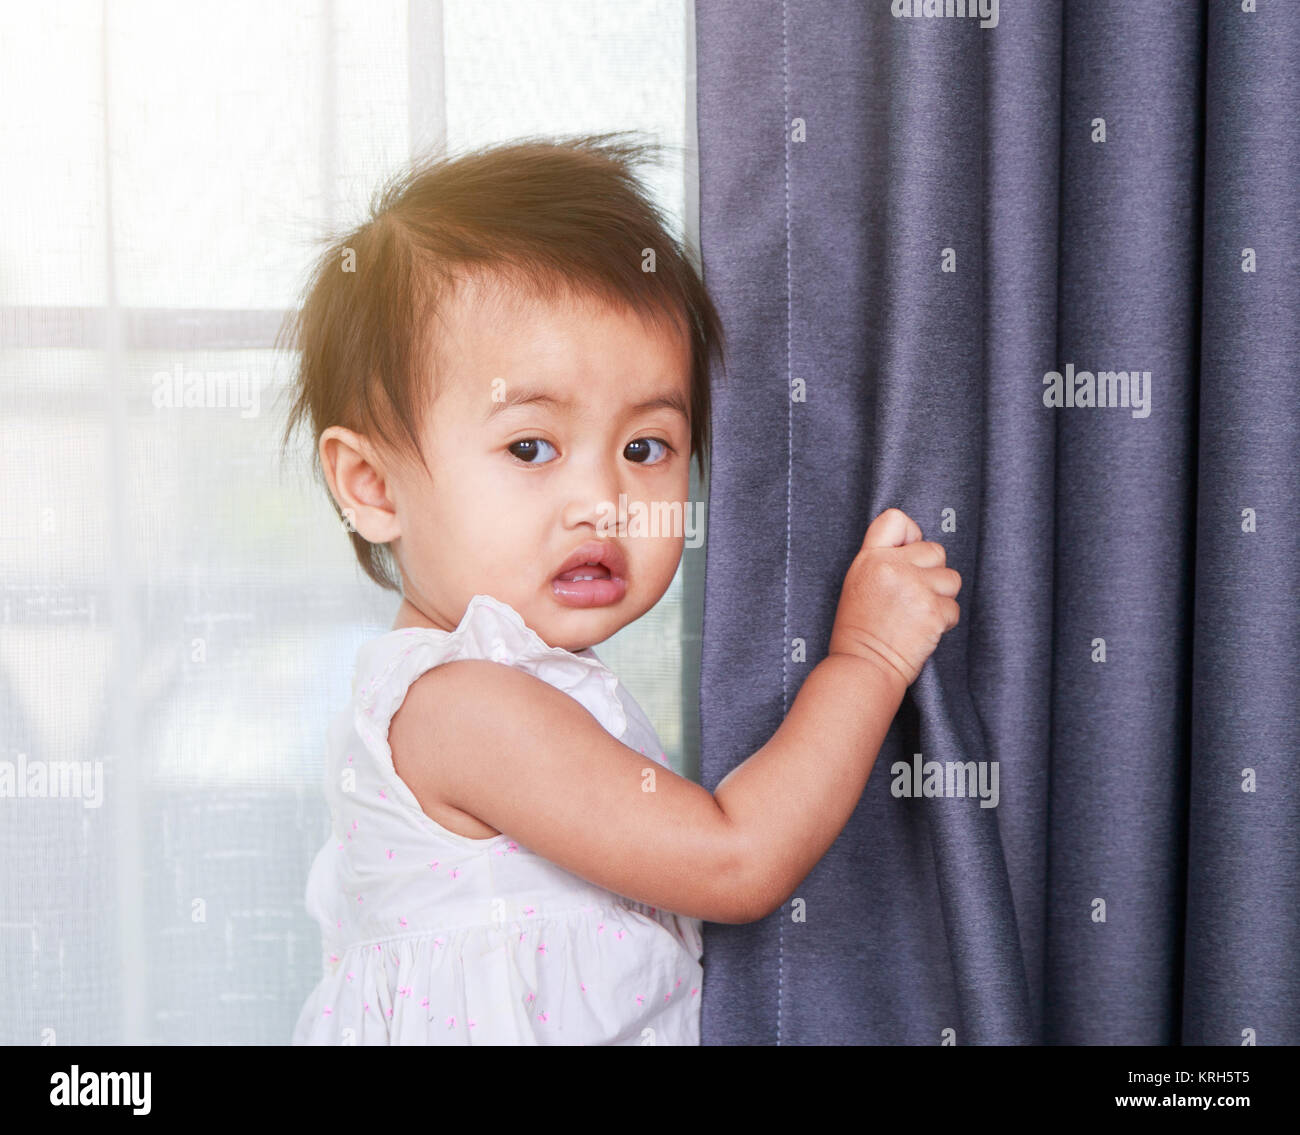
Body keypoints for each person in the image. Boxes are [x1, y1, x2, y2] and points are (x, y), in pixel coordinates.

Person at [282, 133, 961, 1044]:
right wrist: (868, 658)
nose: (603, 501)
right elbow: (735, 857)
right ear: (372, 486)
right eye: (531, 447)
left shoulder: (522, 689)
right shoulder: (460, 707)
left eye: (646, 448)